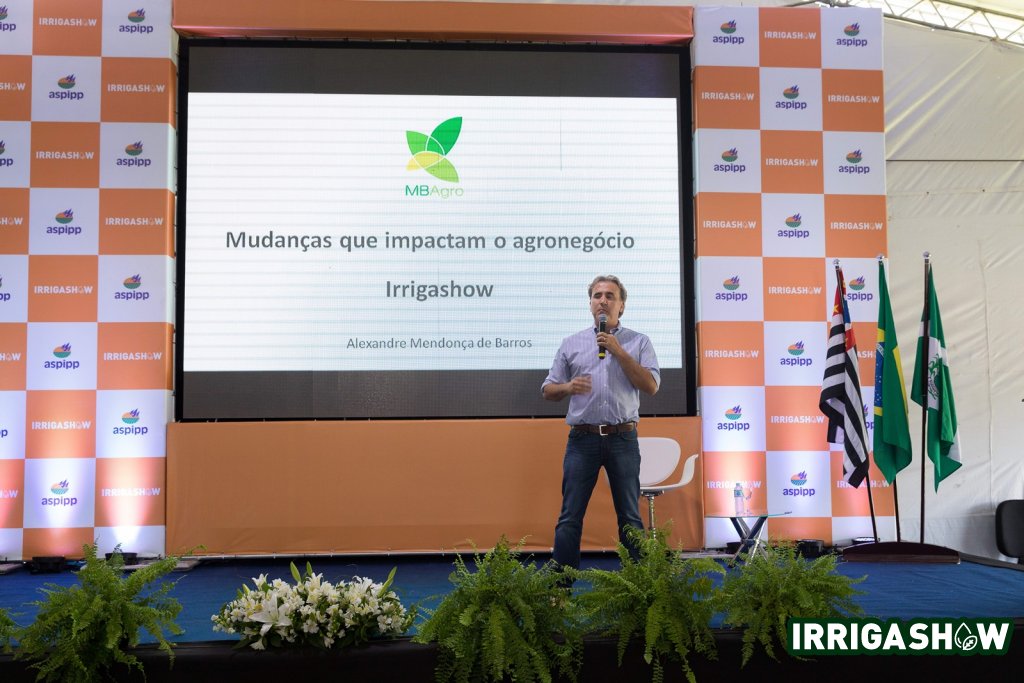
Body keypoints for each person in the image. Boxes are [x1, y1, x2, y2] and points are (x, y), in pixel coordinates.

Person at [542, 275, 660, 572]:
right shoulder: (571, 343)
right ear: (590, 304)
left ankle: (638, 583)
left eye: (610, 296)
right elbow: (548, 390)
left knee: (630, 516)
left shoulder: (639, 342)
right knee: (570, 515)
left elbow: (651, 386)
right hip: (582, 440)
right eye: (597, 296)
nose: (603, 301)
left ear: (622, 306)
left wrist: (618, 351)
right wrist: (568, 387)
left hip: (623, 439)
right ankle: (560, 586)